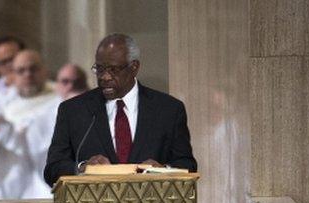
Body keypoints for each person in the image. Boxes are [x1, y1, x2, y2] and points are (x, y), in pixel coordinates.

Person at [44, 33, 198, 182]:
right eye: (99, 69)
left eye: (113, 70)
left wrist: (162, 170)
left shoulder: (168, 110)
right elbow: (52, 169)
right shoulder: (73, 111)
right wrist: (83, 168)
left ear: (134, 67)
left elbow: (187, 166)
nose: (104, 77)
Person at [0, 49, 58, 131]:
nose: (28, 75)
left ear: (44, 71)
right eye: (21, 71)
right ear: (13, 76)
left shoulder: (60, 94)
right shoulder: (2, 100)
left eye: (33, 69)